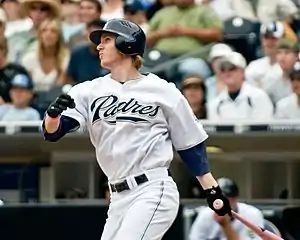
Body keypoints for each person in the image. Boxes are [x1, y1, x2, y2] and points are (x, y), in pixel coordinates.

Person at [42, 19, 231, 240]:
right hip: (118, 197)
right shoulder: (87, 91)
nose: (99, 46)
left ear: (127, 43)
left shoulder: (162, 90)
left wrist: (212, 190)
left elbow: (191, 145)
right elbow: (53, 132)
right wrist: (52, 115)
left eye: (107, 40)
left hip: (152, 188)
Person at [189, 177, 265, 240]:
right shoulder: (205, 215)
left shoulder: (252, 215)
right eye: (217, 200)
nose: (220, 204)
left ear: (236, 199)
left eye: (226, 199)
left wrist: (226, 225)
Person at [207, 51, 274, 120]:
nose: (227, 73)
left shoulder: (258, 96)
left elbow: (264, 127)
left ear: (242, 72)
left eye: (232, 68)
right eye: (223, 69)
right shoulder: (215, 104)